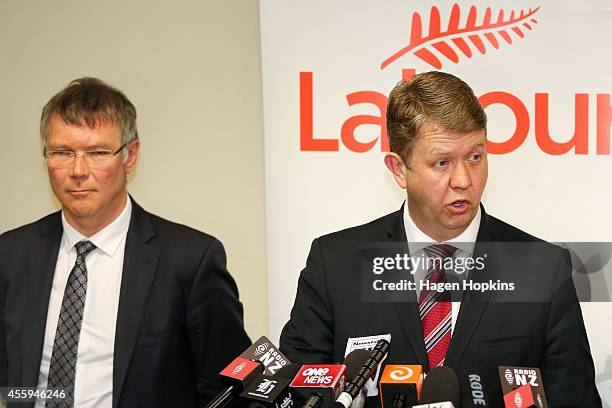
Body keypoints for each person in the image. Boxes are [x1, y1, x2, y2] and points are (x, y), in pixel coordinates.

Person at [279, 71, 601, 406]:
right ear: (399, 169)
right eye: (442, 162)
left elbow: (575, 398)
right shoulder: (335, 265)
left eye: (475, 157)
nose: (463, 179)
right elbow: (298, 395)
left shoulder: (543, 269)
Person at [0, 77, 251, 407]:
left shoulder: (189, 260)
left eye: (98, 153)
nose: (78, 170)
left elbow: (228, 390)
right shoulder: (12, 254)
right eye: (62, 152)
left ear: (130, 156)